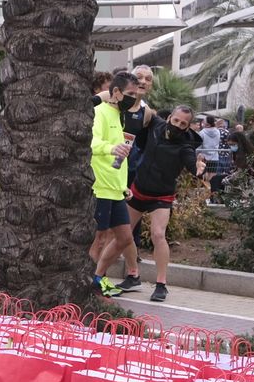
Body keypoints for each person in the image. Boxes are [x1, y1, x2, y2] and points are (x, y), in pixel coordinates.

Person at [129, 105, 207, 302]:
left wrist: (198, 168)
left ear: (188, 127)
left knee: (158, 234)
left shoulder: (185, 146)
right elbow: (138, 108)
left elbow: (191, 164)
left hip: (162, 195)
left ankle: (161, 284)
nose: (178, 125)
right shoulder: (156, 124)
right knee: (122, 233)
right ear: (170, 117)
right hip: (138, 189)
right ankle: (130, 274)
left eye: (183, 124)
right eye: (176, 121)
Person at [89, 71, 137, 297]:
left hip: (116, 190)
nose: (133, 99)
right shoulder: (100, 112)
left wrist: (123, 186)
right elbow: (92, 142)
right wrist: (110, 148)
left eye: (136, 95)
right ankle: (88, 283)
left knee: (125, 239)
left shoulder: (121, 117)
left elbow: (120, 159)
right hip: (100, 187)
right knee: (98, 238)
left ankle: (97, 278)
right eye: (129, 94)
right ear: (115, 92)